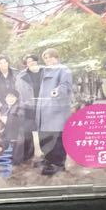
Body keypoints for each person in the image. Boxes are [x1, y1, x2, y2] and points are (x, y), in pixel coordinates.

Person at [34, 47, 73, 175]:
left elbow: (66, 86)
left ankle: (58, 164)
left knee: (57, 138)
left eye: (50, 57)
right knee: (46, 136)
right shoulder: (45, 71)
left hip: (56, 110)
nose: (48, 60)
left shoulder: (63, 69)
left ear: (56, 57)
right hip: (44, 110)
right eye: (45, 58)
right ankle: (48, 160)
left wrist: (57, 91)